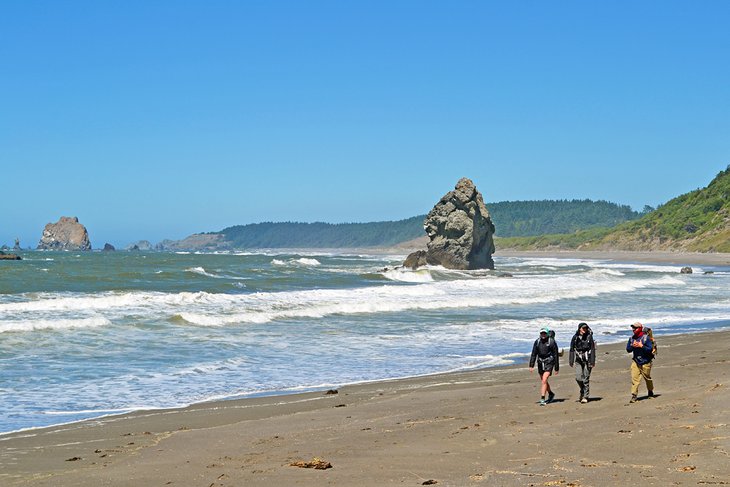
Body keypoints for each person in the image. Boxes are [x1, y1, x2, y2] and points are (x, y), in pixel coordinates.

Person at [529, 327, 560, 406]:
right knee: (544, 381)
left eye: (544, 333)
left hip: (549, 362)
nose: (543, 335)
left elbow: (556, 355)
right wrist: (531, 365)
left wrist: (556, 367)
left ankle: (542, 399)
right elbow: (533, 354)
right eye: (541, 333)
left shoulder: (551, 342)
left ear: (547, 334)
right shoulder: (537, 342)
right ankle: (551, 393)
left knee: (544, 379)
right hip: (540, 362)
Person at [626, 322, 655, 403]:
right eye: (632, 328)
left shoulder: (646, 338)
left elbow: (650, 350)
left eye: (635, 328)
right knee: (634, 379)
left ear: (640, 328)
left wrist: (641, 346)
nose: (633, 330)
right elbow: (628, 350)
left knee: (647, 378)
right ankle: (634, 395)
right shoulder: (631, 338)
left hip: (646, 361)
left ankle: (650, 391)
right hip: (636, 361)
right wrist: (632, 346)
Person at [569, 322, 596, 404]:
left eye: (586, 328)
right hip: (578, 360)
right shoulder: (575, 337)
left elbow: (592, 349)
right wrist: (571, 360)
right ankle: (582, 390)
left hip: (588, 360)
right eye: (583, 328)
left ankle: (585, 396)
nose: (585, 330)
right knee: (578, 378)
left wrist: (592, 361)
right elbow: (572, 349)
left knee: (586, 378)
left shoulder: (589, 337)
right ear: (579, 328)